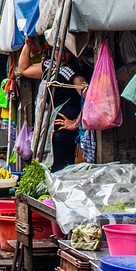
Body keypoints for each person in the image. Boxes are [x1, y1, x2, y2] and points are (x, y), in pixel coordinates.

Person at [17, 38, 87, 171]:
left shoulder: (71, 72)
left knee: (61, 170)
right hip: (47, 129)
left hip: (62, 135)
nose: (62, 55)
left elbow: (89, 97)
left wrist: (77, 123)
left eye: (67, 52)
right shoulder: (50, 66)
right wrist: (28, 45)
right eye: (58, 50)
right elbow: (24, 68)